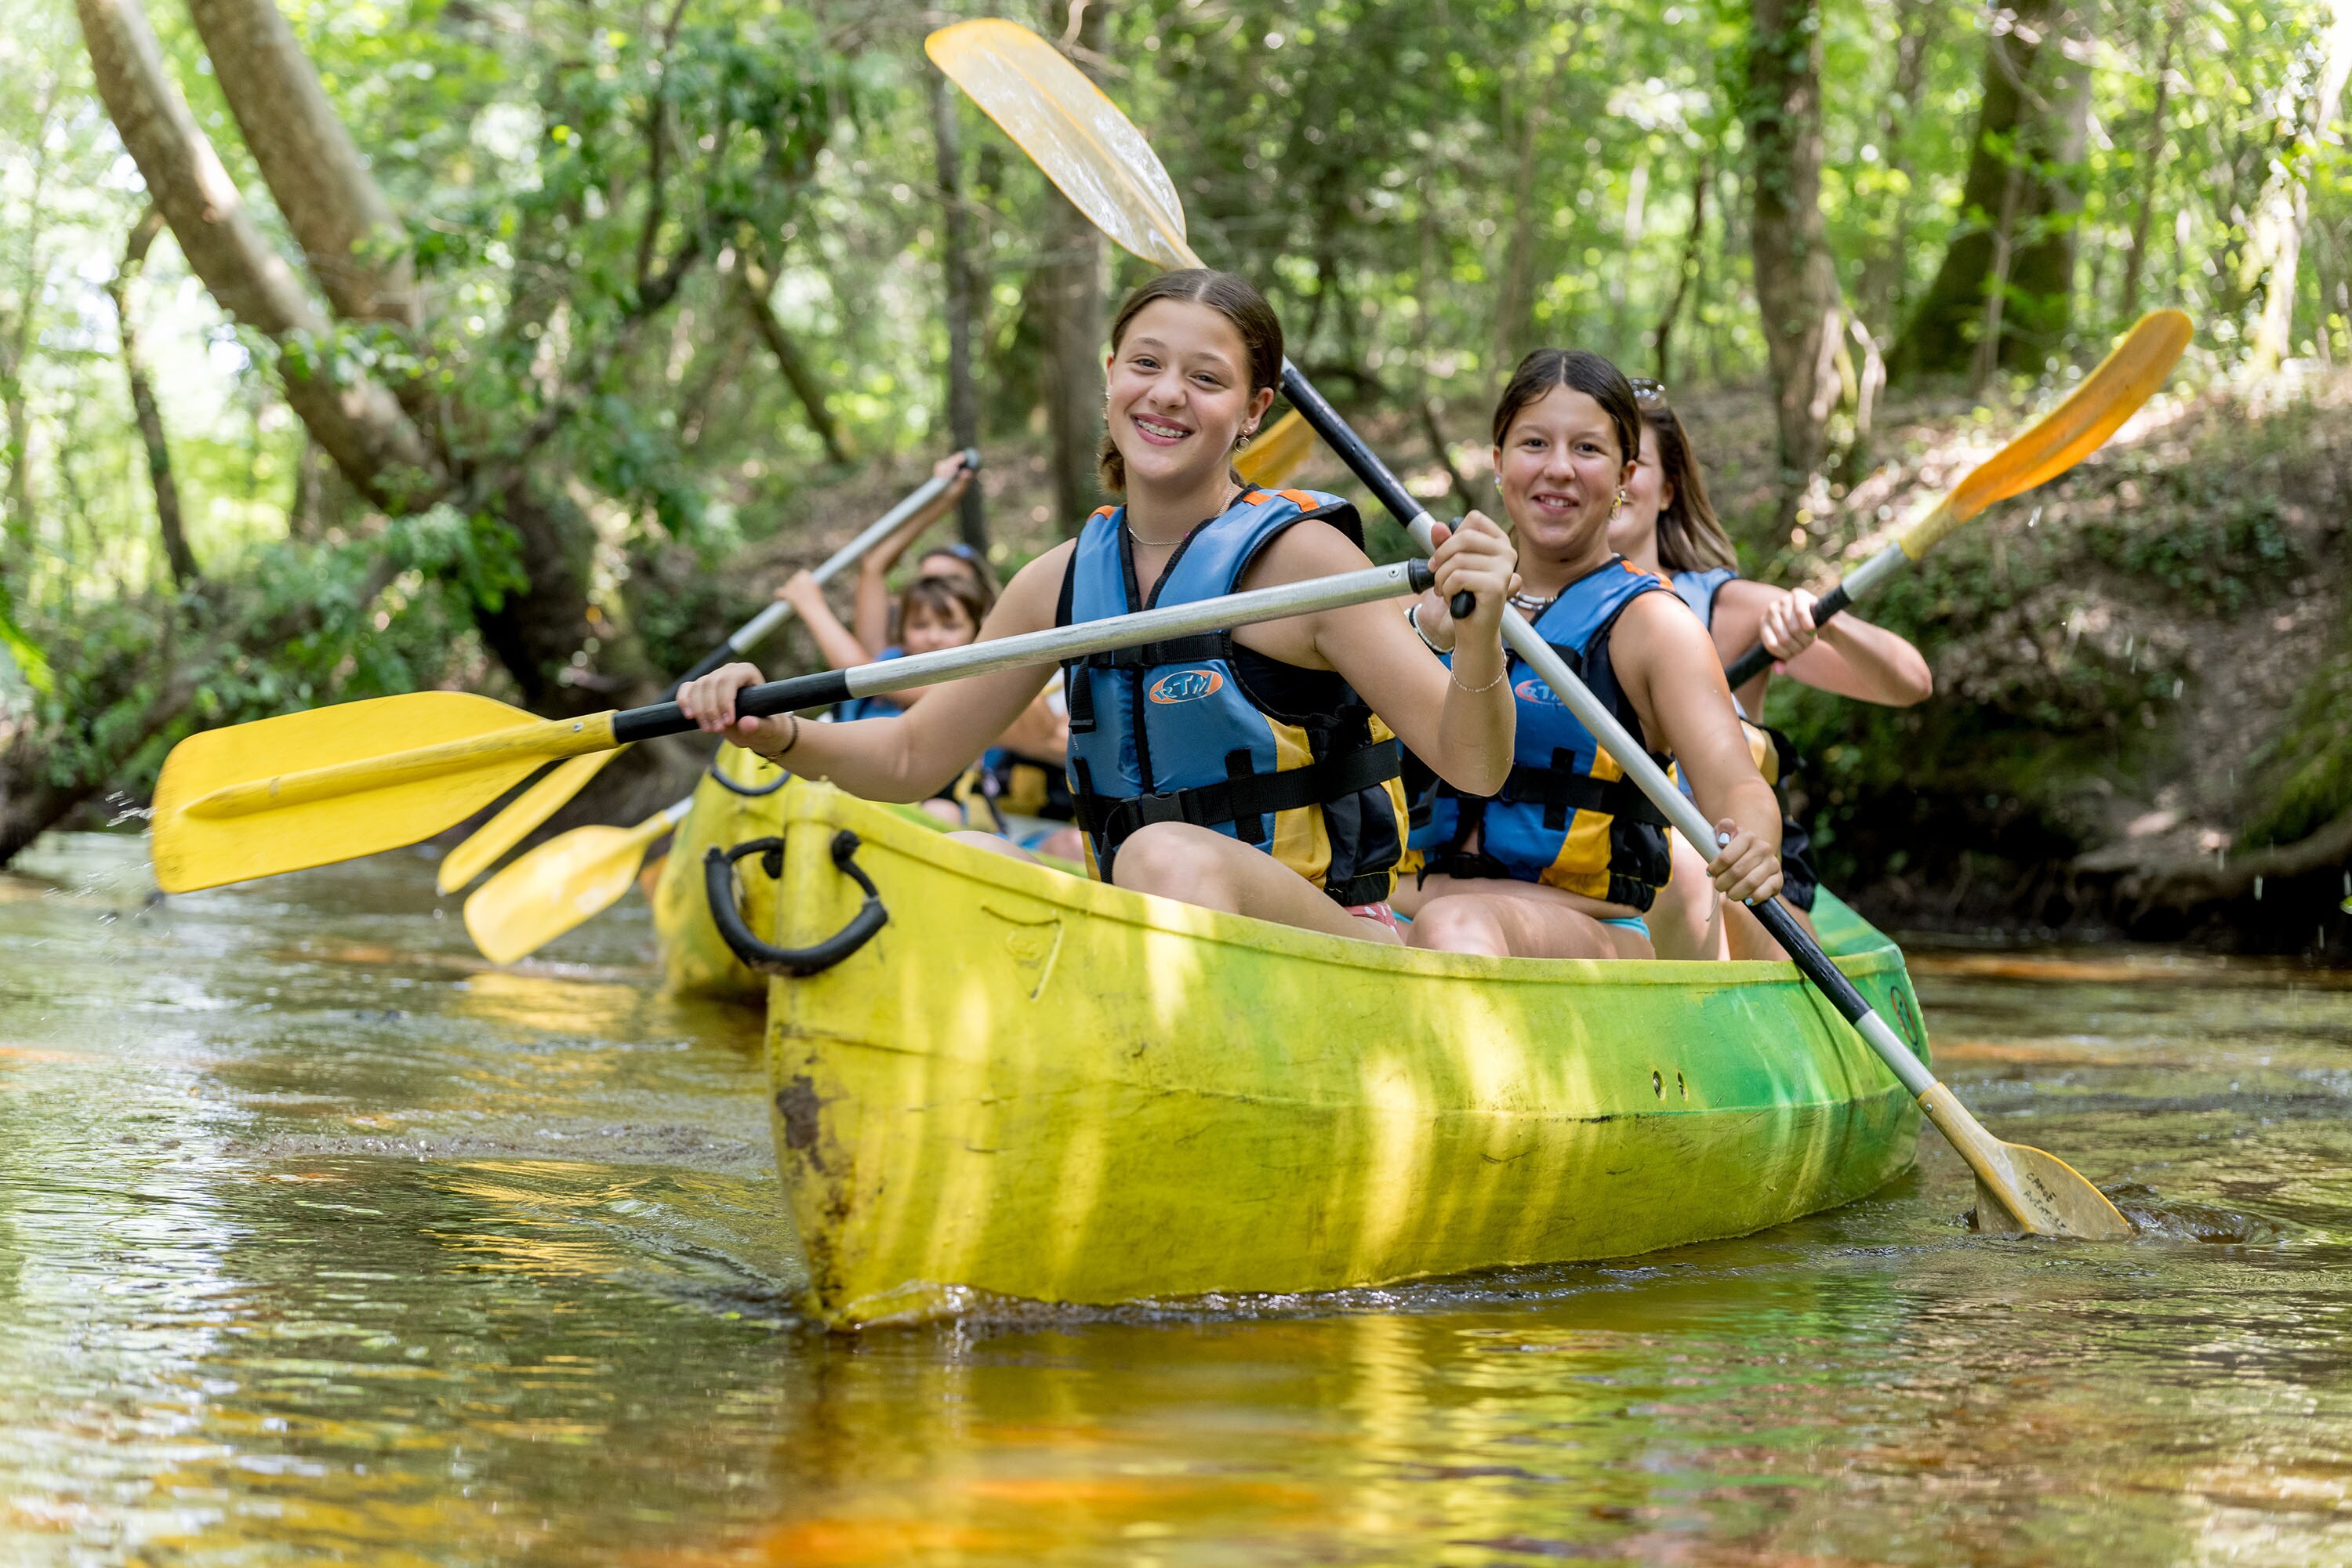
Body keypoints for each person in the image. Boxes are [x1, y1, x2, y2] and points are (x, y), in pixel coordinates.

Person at [678, 267, 1519, 944]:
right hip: (1144, 933)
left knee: (1162, 855)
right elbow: (909, 757)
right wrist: (775, 731)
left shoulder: (1305, 561)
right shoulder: (1059, 583)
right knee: (961, 854)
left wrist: (1478, 641)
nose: (1166, 395)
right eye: (1146, 364)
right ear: (1111, 376)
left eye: (1207, 378)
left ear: (1254, 412)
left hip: (1331, 942)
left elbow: (1472, 764)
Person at [1397, 349, 1784, 960]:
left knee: (1454, 927)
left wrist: (1754, 841)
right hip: (1408, 912)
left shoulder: (1654, 624)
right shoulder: (1434, 599)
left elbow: (1737, 784)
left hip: (1581, 931)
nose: (1558, 469)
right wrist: (1423, 631)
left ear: (1626, 478)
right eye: (1533, 444)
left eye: (1587, 449)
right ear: (1499, 464)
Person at [1610, 379, 1932, 958]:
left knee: (1688, 874)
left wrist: (1826, 622)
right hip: (1593, 864)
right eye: (1598, 453)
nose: (1613, 477)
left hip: (1734, 872)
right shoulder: (1527, 609)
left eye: (1633, 463)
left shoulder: (1729, 610)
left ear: (1667, 490)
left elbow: (1910, 682)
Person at [780, 571, 993, 824]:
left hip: (928, 794)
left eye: (950, 626)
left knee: (943, 814)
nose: (934, 638)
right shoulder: (889, 660)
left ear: (975, 633)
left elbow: (855, 670)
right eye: (920, 625)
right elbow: (871, 570)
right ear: (902, 632)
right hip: (851, 778)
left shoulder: (965, 682)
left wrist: (811, 605)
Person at [848, 453, 994, 657]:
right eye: (927, 582)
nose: (936, 594)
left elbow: (858, 667)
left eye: (951, 581)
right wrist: (940, 501)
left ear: (983, 604)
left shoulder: (996, 653)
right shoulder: (895, 656)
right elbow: (873, 565)